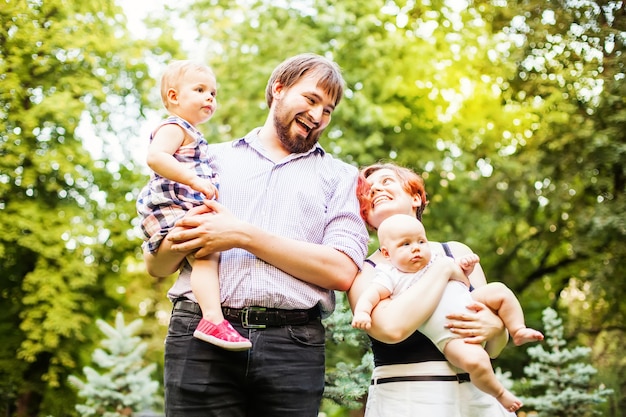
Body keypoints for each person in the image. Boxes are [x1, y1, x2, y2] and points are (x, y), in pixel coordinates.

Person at [143, 53, 369, 417]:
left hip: (293, 347)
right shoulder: (206, 161)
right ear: (277, 89)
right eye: (311, 100)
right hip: (199, 335)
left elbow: (342, 271)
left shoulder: (341, 177)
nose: (317, 116)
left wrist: (241, 235)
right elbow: (156, 263)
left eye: (328, 110)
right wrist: (184, 236)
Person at [347, 162, 526, 417]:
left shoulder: (458, 252)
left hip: (478, 397)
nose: (376, 189)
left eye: (386, 181)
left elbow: (493, 346)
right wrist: (442, 270)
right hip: (409, 398)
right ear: (364, 213)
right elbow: (391, 329)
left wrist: (497, 329)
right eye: (368, 190)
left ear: (416, 197)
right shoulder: (366, 270)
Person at [136, 60, 251, 350]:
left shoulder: (192, 133)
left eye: (213, 93)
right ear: (174, 97)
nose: (209, 97)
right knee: (208, 249)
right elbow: (156, 157)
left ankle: (212, 318)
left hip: (177, 204)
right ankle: (212, 318)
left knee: (205, 253)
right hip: (171, 203)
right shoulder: (174, 126)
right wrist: (195, 181)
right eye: (200, 90)